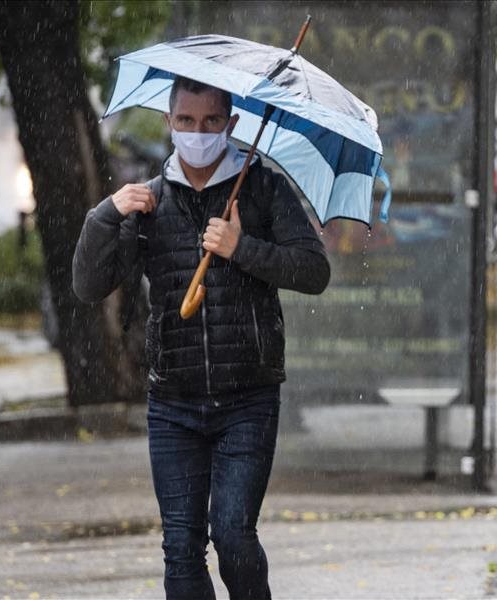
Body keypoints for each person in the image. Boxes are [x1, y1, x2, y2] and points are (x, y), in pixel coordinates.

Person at [72, 76, 330, 600]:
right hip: (173, 402)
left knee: (233, 535)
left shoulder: (261, 188)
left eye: (211, 121)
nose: (198, 132)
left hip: (248, 397)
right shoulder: (150, 201)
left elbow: (313, 270)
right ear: (169, 124)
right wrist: (106, 214)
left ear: (231, 125)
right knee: (181, 549)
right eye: (186, 121)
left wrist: (242, 247)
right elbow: (88, 285)